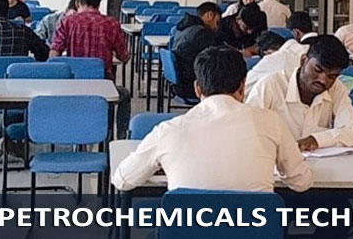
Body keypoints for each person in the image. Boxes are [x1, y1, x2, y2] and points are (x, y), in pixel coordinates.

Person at [111, 47, 312, 193]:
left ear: (197, 88)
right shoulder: (271, 122)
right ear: (243, 87)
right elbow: (301, 182)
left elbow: (123, 180)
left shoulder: (168, 130)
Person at [245, 35, 353, 151]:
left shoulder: (335, 88)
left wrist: (317, 140)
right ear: (303, 61)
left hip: (320, 166)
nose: (323, 80)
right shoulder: (271, 85)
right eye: (318, 70)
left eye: (332, 76)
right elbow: (247, 130)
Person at [50, 0, 133, 135]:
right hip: (103, 86)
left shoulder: (66, 22)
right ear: (99, 4)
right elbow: (123, 56)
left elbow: (54, 54)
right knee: (125, 94)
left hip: (73, 86)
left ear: (78, 3)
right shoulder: (111, 23)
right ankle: (119, 135)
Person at [169, 2, 223, 100]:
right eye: (217, 22)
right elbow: (214, 58)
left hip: (180, 83)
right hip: (191, 86)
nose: (217, 27)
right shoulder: (201, 33)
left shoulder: (184, 29)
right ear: (209, 15)